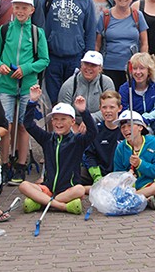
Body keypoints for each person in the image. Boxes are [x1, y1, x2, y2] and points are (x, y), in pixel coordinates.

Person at [0, 0, 50, 185]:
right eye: (17, 7)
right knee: (6, 126)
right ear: (12, 9)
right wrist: (0, 66)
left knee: (25, 125)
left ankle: (21, 165)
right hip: (6, 85)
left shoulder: (37, 32)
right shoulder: (5, 30)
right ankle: (5, 162)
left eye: (24, 7)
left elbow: (44, 60)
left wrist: (26, 69)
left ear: (32, 10)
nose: (20, 11)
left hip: (27, 85)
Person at [20, 85, 93, 215]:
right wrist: (32, 102)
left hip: (68, 190)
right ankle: (60, 206)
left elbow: (93, 132)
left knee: (80, 190)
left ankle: (43, 202)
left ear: (72, 122)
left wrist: (84, 111)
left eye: (63, 119)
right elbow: (29, 125)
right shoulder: (47, 139)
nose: (58, 123)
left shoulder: (77, 141)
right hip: (48, 188)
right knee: (24, 185)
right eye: (55, 119)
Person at [39, 0, 97, 103]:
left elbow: (90, 32)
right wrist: (41, 52)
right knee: (53, 99)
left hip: (75, 58)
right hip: (52, 56)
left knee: (72, 98)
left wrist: (87, 60)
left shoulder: (87, 1)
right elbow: (39, 22)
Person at [98, 0, 149, 89]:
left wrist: (142, 64)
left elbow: (144, 43)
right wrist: (97, 64)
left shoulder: (137, 15)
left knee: (129, 100)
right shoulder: (105, 16)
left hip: (132, 68)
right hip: (109, 67)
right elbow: (96, 44)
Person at [113, 110, 155, 209]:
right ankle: (141, 199)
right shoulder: (120, 148)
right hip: (128, 187)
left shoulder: (153, 143)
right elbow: (117, 172)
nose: (125, 129)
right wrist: (125, 176)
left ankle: (133, 198)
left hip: (147, 185)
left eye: (130, 126)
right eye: (123, 127)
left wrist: (140, 164)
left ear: (140, 127)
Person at [119, 52, 155, 147]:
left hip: (151, 118)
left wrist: (145, 118)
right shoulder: (125, 88)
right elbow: (123, 112)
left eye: (142, 68)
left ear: (149, 70)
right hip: (133, 122)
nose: (138, 72)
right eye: (135, 68)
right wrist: (138, 121)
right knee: (148, 132)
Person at [80, 90, 123, 187]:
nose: (108, 111)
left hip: (119, 175)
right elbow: (89, 156)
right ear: (100, 108)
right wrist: (97, 176)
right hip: (98, 173)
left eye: (112, 107)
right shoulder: (95, 131)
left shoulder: (125, 130)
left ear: (119, 108)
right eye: (104, 107)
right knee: (72, 173)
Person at [57, 50, 115, 117]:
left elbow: (111, 109)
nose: (89, 68)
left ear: (100, 68)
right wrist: (73, 125)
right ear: (81, 65)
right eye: (86, 64)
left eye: (93, 65)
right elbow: (63, 112)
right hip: (74, 123)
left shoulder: (107, 83)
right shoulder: (69, 84)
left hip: (99, 122)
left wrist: (89, 120)